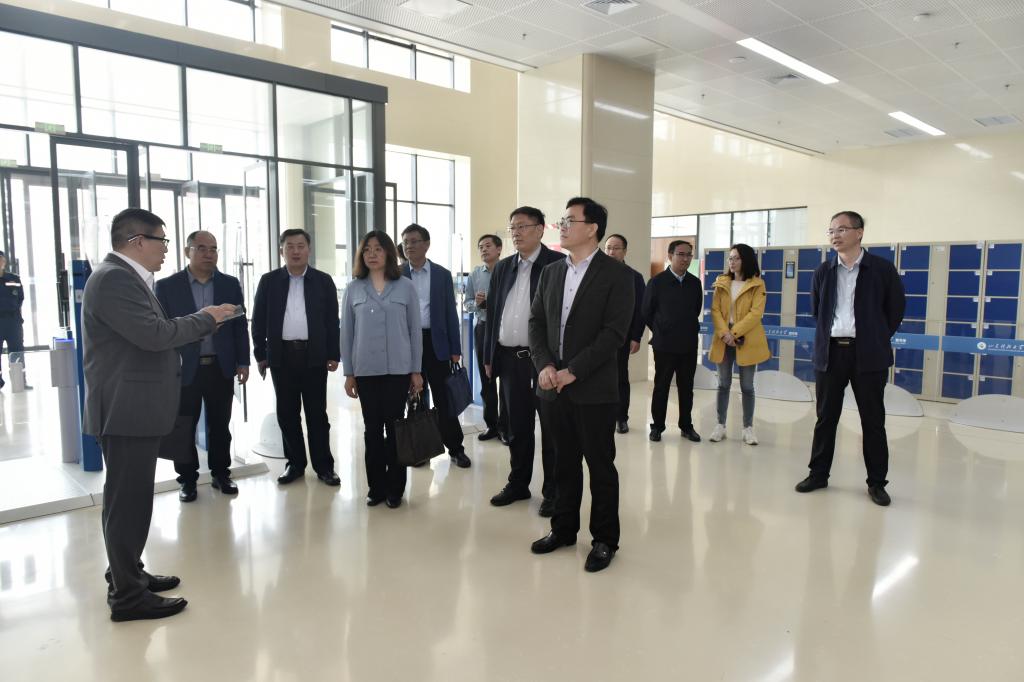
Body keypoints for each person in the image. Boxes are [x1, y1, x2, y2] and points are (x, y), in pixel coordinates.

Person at [81, 208, 237, 621]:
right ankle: (128, 597)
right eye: (162, 241)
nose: (166, 249)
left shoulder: (124, 277)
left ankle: (128, 573)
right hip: (125, 410)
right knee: (127, 503)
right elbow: (154, 334)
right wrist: (206, 319)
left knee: (129, 500)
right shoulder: (115, 279)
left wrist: (202, 320)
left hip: (131, 407)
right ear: (137, 242)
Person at [529, 197, 633, 573]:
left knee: (600, 466)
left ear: (592, 229)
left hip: (593, 389)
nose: (562, 225)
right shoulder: (551, 272)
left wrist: (573, 370)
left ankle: (604, 539)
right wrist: (545, 365)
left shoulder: (617, 275)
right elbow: (537, 323)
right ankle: (563, 529)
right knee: (562, 463)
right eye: (562, 219)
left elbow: (614, 334)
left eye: (569, 220)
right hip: (552, 386)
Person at [796, 211, 905, 506]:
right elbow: (817, 311)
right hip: (831, 353)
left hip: (868, 354)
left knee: (873, 420)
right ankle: (818, 474)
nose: (835, 235)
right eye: (831, 230)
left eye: (842, 229)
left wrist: (874, 336)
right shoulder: (823, 271)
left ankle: (877, 483)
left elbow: (895, 310)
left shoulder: (881, 269)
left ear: (859, 232)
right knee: (825, 418)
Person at [155, 231, 250, 502]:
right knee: (184, 426)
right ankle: (187, 480)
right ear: (188, 252)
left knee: (220, 425)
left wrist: (243, 361)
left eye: (214, 249)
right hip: (185, 368)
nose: (209, 254)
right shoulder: (167, 286)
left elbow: (239, 326)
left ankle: (221, 474)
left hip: (220, 366)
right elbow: (161, 330)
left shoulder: (229, 284)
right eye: (202, 248)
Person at [482, 207, 562, 514]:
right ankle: (518, 484)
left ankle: (552, 491)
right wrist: (489, 355)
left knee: (551, 430)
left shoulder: (557, 265)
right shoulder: (503, 268)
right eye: (512, 227)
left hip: (544, 362)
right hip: (510, 360)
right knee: (516, 426)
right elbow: (494, 315)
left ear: (540, 229)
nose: (516, 233)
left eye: (522, 226)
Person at [251, 229, 342, 487]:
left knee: (317, 415)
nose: (295, 251)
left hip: (314, 357)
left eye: (301, 246)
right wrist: (260, 354)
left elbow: (332, 321)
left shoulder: (323, 281)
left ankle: (324, 466)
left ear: (309, 250)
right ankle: (294, 464)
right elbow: (258, 320)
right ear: (281, 251)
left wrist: (333, 353)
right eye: (290, 246)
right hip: (281, 357)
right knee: (287, 413)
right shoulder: (269, 281)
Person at [342, 231, 424, 509]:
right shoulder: (353, 289)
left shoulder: (405, 287)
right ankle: (375, 487)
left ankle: (395, 488)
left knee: (395, 429)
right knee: (372, 430)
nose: (372, 254)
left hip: (398, 370)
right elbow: (347, 334)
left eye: (378, 249)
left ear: (389, 252)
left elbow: (415, 331)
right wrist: (349, 373)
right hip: (366, 371)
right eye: (367, 250)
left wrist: (416, 370)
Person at [400, 224, 471, 468]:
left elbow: (450, 312)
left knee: (444, 399)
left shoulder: (441, 274)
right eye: (406, 242)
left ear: (426, 244)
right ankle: (421, 450)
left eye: (414, 241)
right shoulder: (397, 274)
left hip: (436, 344)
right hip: (408, 344)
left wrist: (455, 349)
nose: (409, 246)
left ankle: (456, 449)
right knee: (415, 398)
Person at [708, 243, 770, 445]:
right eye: (730, 258)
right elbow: (715, 310)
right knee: (723, 384)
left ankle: (748, 428)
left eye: (736, 258)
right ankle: (720, 425)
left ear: (746, 260)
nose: (732, 262)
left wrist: (733, 333)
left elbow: (756, 313)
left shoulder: (757, 284)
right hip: (723, 338)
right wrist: (725, 334)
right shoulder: (722, 282)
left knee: (747, 386)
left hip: (747, 338)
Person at [642, 240, 703, 443]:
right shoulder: (657, 282)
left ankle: (686, 426)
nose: (685, 258)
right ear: (670, 256)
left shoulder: (695, 283)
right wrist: (661, 329)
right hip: (664, 345)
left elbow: (696, 309)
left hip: (688, 344)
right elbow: (646, 312)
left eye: (689, 255)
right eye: (680, 254)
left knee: (687, 388)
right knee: (661, 386)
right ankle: (657, 427)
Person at [465, 234, 507, 442]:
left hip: (506, 330)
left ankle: (506, 427)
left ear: (499, 249)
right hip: (483, 329)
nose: (483, 249)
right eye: (480, 247)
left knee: (507, 382)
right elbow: (467, 304)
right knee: (486, 380)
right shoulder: (475, 274)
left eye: (488, 246)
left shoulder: (509, 270)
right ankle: (492, 425)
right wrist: (478, 304)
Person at [603, 234, 645, 434]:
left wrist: (636, 336)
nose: (611, 252)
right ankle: (603, 416)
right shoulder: (595, 274)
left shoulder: (634, 277)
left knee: (620, 377)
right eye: (608, 248)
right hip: (596, 337)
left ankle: (621, 417)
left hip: (622, 337)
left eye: (616, 248)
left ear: (625, 251)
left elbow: (640, 310)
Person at [0, 249, 29, 391]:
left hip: (13, 322)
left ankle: (20, 381)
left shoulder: (14, 279)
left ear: (4, 262)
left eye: (1, 259)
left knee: (17, 352)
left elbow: (20, 298)